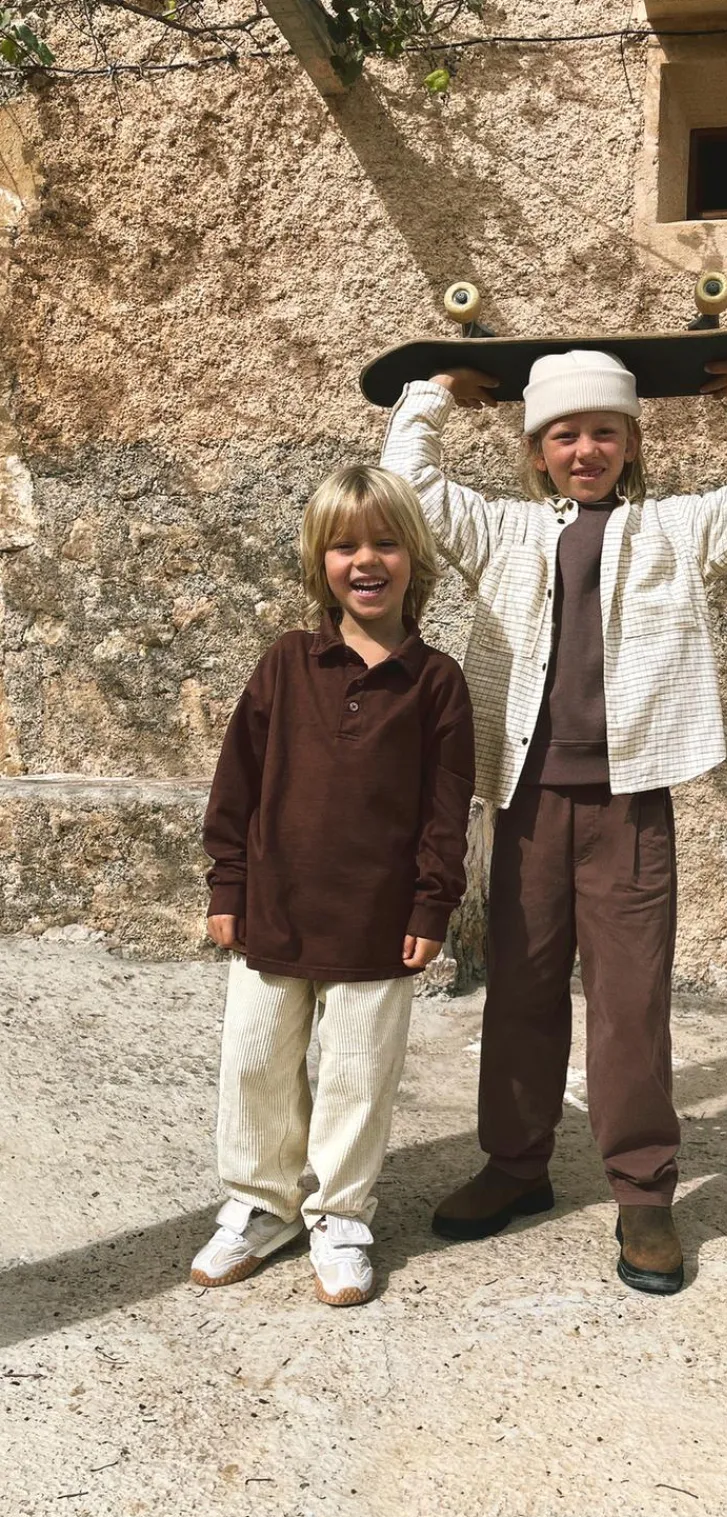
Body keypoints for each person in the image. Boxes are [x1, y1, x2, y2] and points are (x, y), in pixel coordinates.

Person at [380, 348, 727, 1294]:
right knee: (521, 991)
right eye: (565, 434)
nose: (585, 450)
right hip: (525, 802)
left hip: (631, 803)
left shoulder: (678, 528)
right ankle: (515, 1165)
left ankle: (644, 1194)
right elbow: (406, 484)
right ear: (537, 450)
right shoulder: (502, 530)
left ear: (631, 442)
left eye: (604, 432)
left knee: (630, 1005)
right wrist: (436, 393)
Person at [190, 466, 474, 1305]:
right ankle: (261, 1203)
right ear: (320, 561)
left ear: (414, 557)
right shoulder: (285, 663)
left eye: (385, 542)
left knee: (357, 1073)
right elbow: (236, 782)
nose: (366, 560)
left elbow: (445, 810)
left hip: (377, 923)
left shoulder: (436, 682)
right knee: (255, 1064)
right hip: (273, 910)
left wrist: (431, 903)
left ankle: (342, 1213)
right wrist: (228, 883)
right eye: (344, 545)